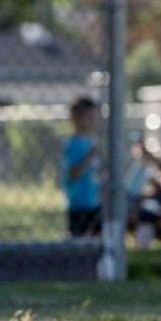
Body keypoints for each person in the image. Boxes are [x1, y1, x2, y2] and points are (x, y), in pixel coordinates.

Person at [61, 96, 101, 238]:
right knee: (79, 241)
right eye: (89, 118)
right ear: (76, 118)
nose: (93, 122)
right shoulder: (73, 144)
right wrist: (89, 157)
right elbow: (73, 173)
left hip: (94, 202)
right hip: (79, 204)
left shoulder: (90, 142)